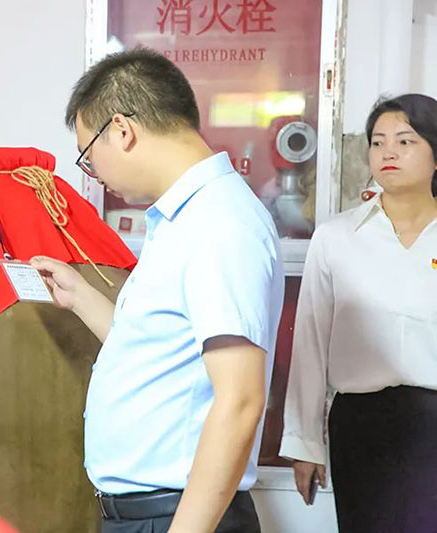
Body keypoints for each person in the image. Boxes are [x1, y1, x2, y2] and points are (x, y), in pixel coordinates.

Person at [31, 48, 284, 533]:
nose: (95, 172)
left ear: (122, 130)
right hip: (148, 513)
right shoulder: (182, 219)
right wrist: (79, 296)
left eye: (89, 156)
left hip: (177, 515)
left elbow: (241, 399)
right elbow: (159, 352)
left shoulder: (219, 224)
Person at [280, 93, 437, 532]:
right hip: (361, 424)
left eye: (405, 141)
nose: (388, 152)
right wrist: (305, 444)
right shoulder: (337, 238)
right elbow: (310, 343)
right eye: (378, 142)